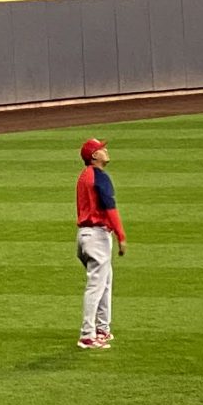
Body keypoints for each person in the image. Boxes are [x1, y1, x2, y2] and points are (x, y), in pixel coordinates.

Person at [75, 137, 126, 349]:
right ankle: (87, 335)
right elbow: (110, 208)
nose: (106, 151)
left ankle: (102, 329)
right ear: (94, 155)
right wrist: (121, 235)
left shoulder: (83, 176)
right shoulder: (99, 176)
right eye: (102, 149)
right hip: (97, 237)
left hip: (84, 236)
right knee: (96, 286)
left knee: (104, 283)